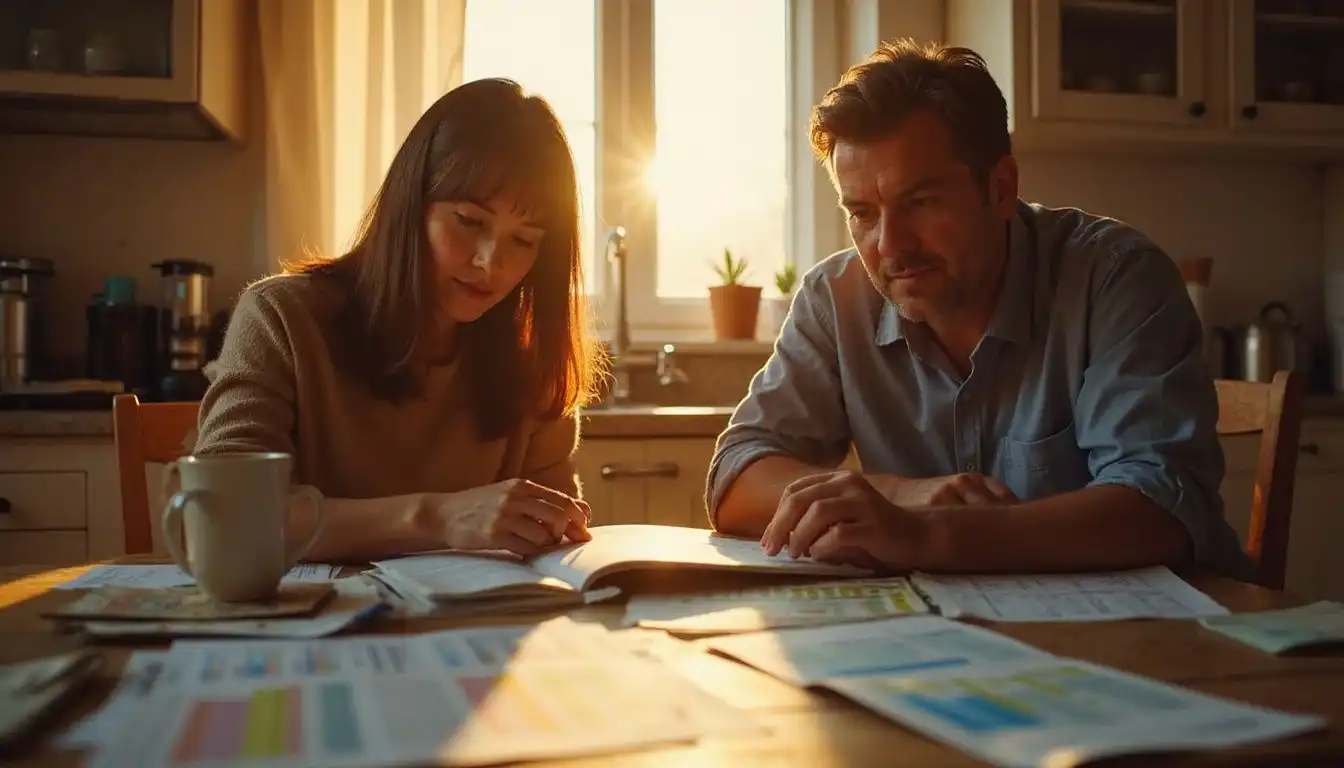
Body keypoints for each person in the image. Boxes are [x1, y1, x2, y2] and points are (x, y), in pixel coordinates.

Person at [707, 40, 1249, 578]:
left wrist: (923, 534)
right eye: (864, 214)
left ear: (1000, 188)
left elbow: (1161, 509)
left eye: (921, 202)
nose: (891, 247)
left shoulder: (1114, 277)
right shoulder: (834, 300)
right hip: (960, 640)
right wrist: (904, 496)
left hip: (1167, 636)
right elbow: (735, 479)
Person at [192, 78, 602, 562]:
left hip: (465, 630)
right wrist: (437, 517)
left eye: (525, 240)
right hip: (305, 631)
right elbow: (224, 521)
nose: (491, 262)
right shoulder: (282, 319)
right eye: (469, 221)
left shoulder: (530, 359)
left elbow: (552, 536)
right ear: (409, 206)